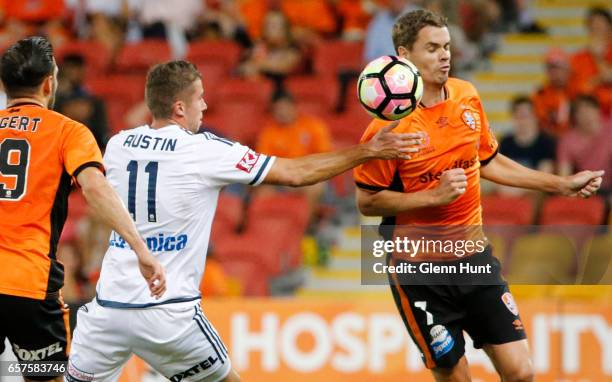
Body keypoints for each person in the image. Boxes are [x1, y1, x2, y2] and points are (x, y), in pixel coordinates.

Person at [67, 59, 421, 382]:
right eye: (199, 98)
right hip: (167, 312)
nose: (205, 105)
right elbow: (294, 173)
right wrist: (368, 151)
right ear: (179, 108)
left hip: (108, 310)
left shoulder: (118, 144)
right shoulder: (205, 149)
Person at [353, 10, 604, 382]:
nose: (445, 55)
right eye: (433, 47)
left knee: (521, 372)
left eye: (447, 46)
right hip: (418, 271)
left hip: (473, 259)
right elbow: (368, 201)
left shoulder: (467, 96)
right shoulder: (387, 127)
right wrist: (431, 197)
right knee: (457, 378)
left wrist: (559, 185)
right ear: (404, 56)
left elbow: (488, 160)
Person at [0, 36, 165, 382]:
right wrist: (140, 248)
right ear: (49, 82)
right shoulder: (68, 132)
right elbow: (95, 187)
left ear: (4, 84)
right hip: (28, 283)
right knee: (44, 377)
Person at [558, 94, 612, 196]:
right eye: (581, 112)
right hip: (584, 190)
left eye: (590, 109)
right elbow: (564, 176)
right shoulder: (568, 140)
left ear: (598, 111)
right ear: (574, 117)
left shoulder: (610, 130)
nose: (586, 115)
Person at [532, 47, 573, 136]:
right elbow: (541, 124)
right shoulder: (541, 95)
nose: (556, 73)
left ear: (567, 69)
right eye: (551, 69)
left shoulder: (577, 90)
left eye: (559, 68)